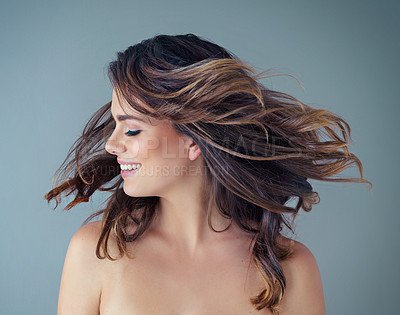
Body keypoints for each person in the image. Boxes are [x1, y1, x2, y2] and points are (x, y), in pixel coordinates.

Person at [45, 33, 372, 315]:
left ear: (193, 140)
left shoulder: (291, 269)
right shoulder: (96, 252)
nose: (112, 144)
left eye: (131, 130)